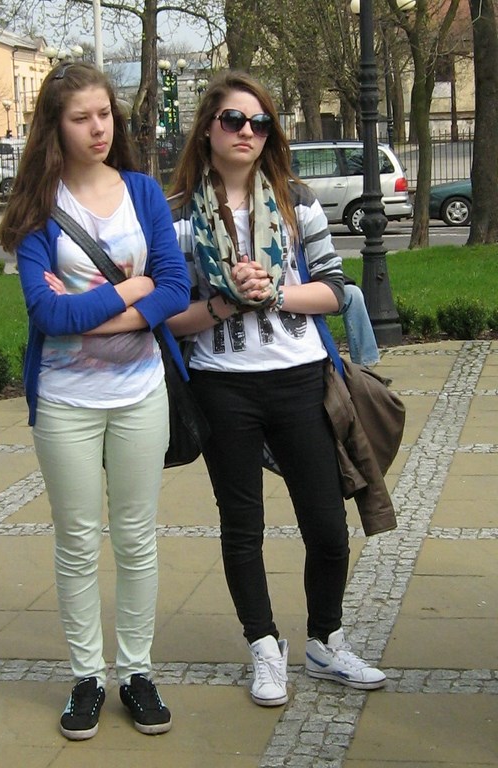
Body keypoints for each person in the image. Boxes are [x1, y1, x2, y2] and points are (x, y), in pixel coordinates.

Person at [166, 70, 386, 708]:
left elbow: (335, 289)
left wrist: (274, 294)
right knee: (243, 526)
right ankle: (264, 645)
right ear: (208, 128)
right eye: (234, 120)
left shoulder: (296, 199)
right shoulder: (176, 215)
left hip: (299, 380)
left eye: (259, 122)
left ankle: (325, 640)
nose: (247, 132)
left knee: (327, 523)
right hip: (222, 386)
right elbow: (167, 315)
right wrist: (225, 304)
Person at [0, 61, 190, 740]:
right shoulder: (37, 209)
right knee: (77, 542)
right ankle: (87, 677)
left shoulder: (141, 191)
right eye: (81, 118)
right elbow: (48, 314)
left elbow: (175, 287)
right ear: (55, 126)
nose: (97, 128)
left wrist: (96, 312)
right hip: (66, 403)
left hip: (140, 395)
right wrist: (133, 290)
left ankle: (136, 672)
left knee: (136, 538)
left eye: (104, 114)